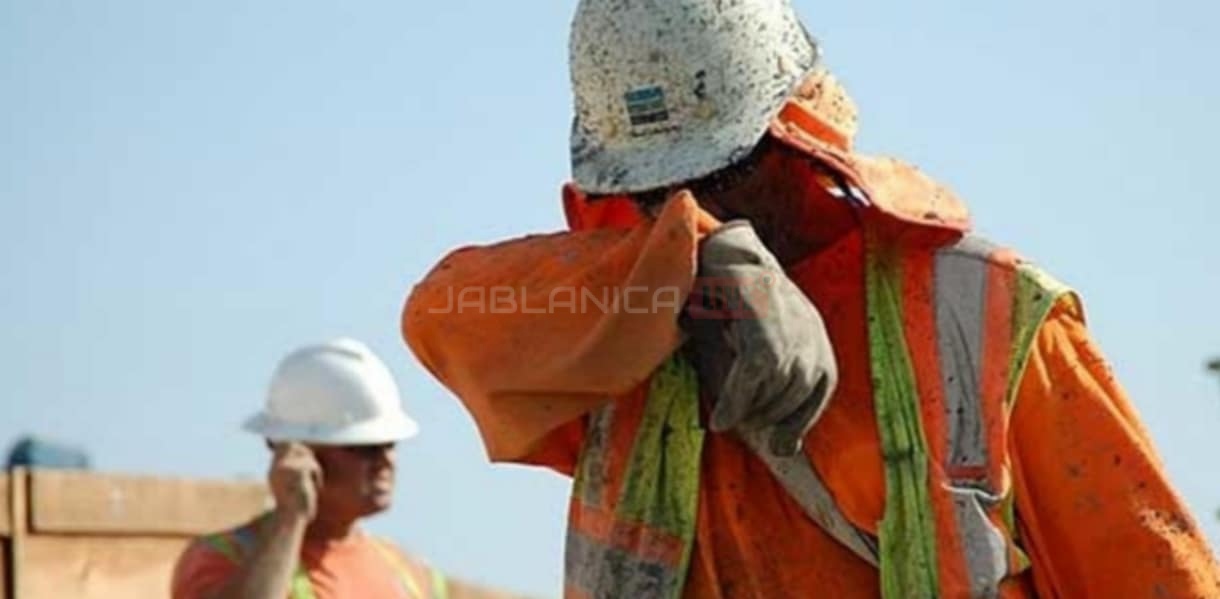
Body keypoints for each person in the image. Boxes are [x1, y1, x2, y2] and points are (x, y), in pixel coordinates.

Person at [402, 0, 1220, 597]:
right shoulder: (625, 325)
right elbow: (438, 315)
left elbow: (1155, 577)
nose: (691, 207)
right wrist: (681, 269)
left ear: (796, 135)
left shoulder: (988, 320)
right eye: (659, 192)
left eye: (722, 173)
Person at [172, 338, 450, 599]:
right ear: (296, 455)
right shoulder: (224, 558)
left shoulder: (413, 576)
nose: (385, 461)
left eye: (389, 444)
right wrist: (290, 517)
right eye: (365, 447)